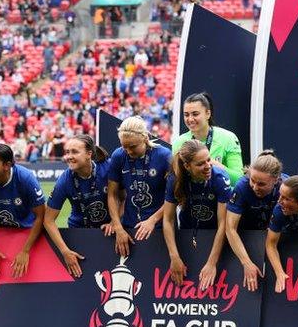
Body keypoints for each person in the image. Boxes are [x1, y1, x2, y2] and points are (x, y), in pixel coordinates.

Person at [161, 140, 231, 289]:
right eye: (200, 164)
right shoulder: (175, 179)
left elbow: (223, 224)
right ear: (187, 166)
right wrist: (174, 257)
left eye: (208, 159)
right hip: (187, 234)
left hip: (215, 236)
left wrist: (212, 263)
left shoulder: (219, 178)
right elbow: (168, 220)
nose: (208, 166)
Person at [0, 143, 46, 278]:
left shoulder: (26, 179)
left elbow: (41, 215)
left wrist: (25, 251)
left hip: (27, 233)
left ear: (7, 165)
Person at [42, 135, 111, 278]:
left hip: (109, 232)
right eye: (67, 152)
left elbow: (123, 199)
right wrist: (65, 251)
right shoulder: (64, 180)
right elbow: (48, 220)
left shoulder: (108, 168)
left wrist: (115, 222)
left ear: (89, 154)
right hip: (79, 233)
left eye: (74, 152)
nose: (68, 156)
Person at [106, 116, 172, 256]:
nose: (128, 151)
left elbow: (176, 196)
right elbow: (112, 195)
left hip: (160, 227)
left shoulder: (164, 156)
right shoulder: (118, 156)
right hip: (129, 227)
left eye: (133, 146)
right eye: (124, 147)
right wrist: (118, 227)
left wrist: (152, 220)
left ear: (145, 137)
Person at [225, 149, 285, 291]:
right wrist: (246, 263)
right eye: (253, 180)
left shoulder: (286, 187)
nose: (255, 187)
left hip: (276, 236)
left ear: (276, 180)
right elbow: (230, 228)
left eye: (262, 184)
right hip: (247, 236)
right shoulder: (242, 187)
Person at [171, 92, 243, 184]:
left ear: (208, 114)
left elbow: (238, 179)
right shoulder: (179, 142)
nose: (190, 119)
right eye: (186, 115)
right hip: (192, 196)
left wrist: (212, 165)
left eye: (195, 114)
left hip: (220, 196)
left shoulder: (228, 138)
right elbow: (176, 179)